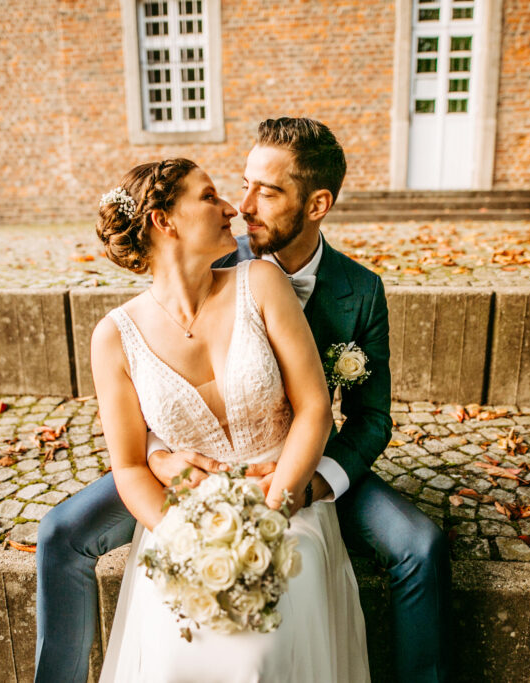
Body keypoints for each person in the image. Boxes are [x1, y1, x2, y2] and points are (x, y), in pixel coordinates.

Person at [36, 118, 450, 682]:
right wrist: (161, 459)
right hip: (187, 460)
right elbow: (147, 403)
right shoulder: (207, 256)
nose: (242, 206)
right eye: (239, 186)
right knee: (60, 532)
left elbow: (368, 417)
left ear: (317, 205)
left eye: (268, 192)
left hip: (297, 458)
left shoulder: (357, 290)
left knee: (420, 546)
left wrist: (308, 484)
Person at [89, 157, 369, 681]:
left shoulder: (260, 283)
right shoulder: (114, 338)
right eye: (209, 196)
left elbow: (314, 406)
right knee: (175, 649)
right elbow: (128, 466)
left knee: (263, 649)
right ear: (163, 221)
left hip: (286, 498)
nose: (230, 209)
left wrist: (275, 508)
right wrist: (183, 539)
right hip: (184, 521)